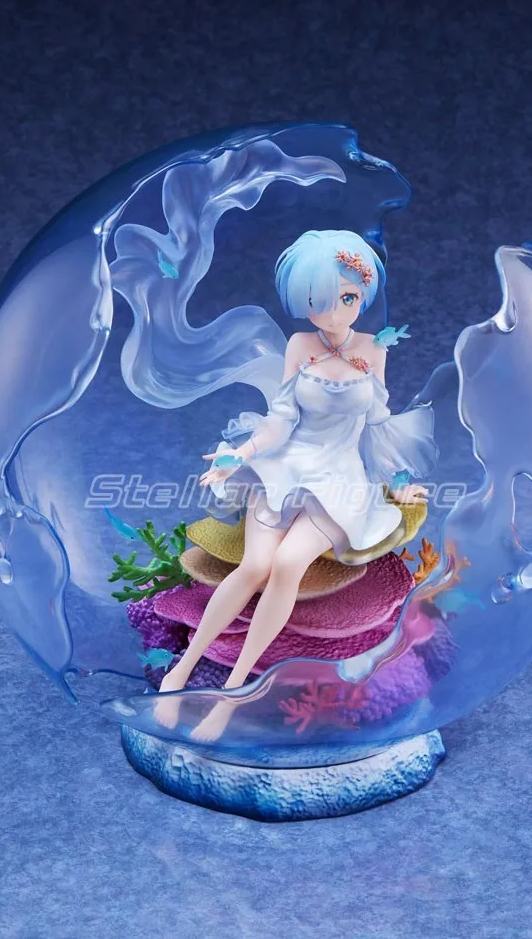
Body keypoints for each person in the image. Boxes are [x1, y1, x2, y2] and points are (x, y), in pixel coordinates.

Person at [154, 230, 439, 741]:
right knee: (254, 566)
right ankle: (180, 671)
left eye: (346, 298)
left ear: (363, 292)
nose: (331, 312)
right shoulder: (300, 346)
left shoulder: (374, 350)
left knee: (287, 565)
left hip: (340, 480)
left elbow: (378, 424)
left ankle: (232, 694)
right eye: (317, 301)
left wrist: (398, 484)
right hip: (286, 467)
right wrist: (240, 454)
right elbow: (280, 418)